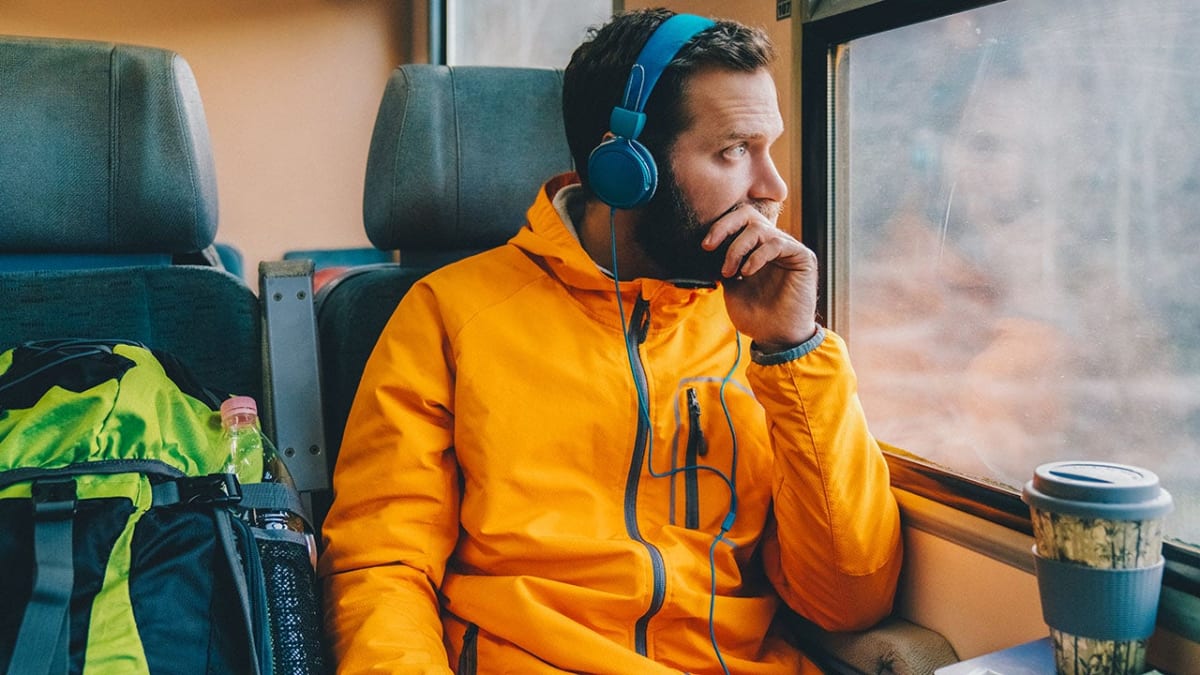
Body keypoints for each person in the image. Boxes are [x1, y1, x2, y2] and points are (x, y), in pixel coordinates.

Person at [319, 8, 902, 674]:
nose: (774, 188)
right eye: (733, 150)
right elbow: (383, 567)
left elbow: (848, 601)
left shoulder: (762, 330)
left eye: (768, 148)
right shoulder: (449, 316)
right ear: (625, 167)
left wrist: (791, 352)